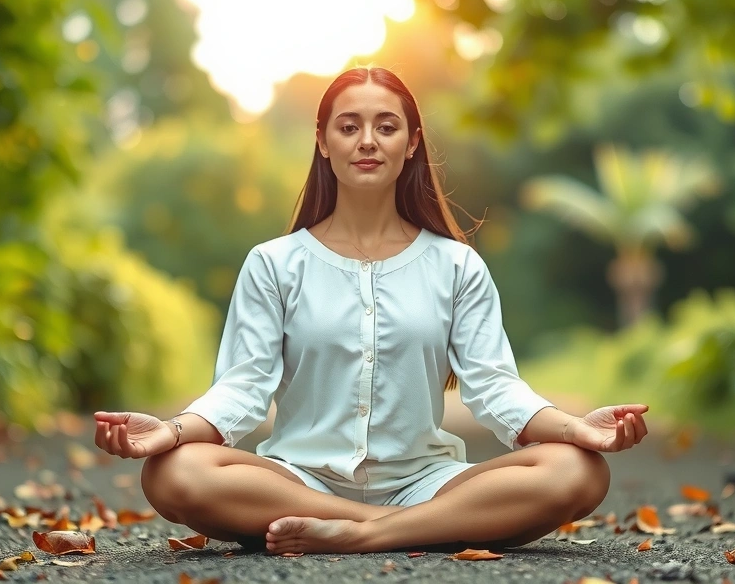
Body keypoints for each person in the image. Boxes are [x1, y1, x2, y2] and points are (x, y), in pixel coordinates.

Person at [93, 66, 649, 555]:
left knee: (578, 470)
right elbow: (242, 388)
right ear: (323, 141)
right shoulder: (274, 263)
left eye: (386, 126)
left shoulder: (456, 266)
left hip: (428, 481)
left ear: (411, 144)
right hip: (295, 482)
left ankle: (365, 533)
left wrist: (576, 428)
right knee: (174, 472)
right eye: (349, 126)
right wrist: (171, 430)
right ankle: (411, 530)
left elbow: (496, 388)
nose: (367, 141)